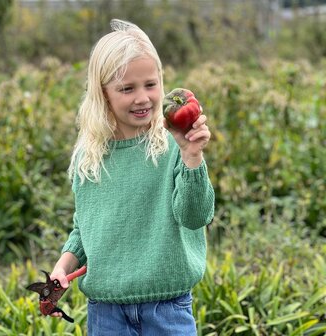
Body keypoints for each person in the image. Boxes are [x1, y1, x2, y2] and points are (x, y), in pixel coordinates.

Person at [50, 19, 215, 336]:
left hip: (168, 310)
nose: (143, 98)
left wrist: (192, 157)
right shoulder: (90, 158)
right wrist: (62, 268)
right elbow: (85, 229)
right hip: (106, 313)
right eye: (127, 88)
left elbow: (195, 217)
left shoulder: (171, 146)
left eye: (150, 84)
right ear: (103, 93)